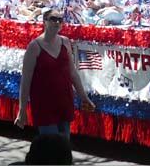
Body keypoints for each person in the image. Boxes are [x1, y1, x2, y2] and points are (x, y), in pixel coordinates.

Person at [15, 8, 95, 137]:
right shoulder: (34, 46)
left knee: (64, 145)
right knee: (50, 144)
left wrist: (84, 97)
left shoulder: (65, 42)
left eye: (60, 20)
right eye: (53, 19)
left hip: (64, 100)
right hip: (44, 103)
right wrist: (22, 110)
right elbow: (26, 80)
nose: (57, 22)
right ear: (44, 21)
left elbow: (73, 73)